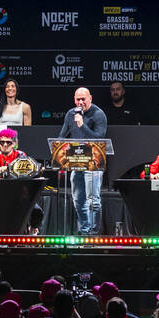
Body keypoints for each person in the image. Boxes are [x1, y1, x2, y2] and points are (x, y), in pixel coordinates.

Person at [58, 87, 108, 234]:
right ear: (74, 99)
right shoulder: (70, 114)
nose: (80, 102)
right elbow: (62, 136)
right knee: (78, 200)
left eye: (83, 99)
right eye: (78, 99)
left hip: (93, 162)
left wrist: (81, 125)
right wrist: (59, 149)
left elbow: (99, 140)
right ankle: (85, 231)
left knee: (93, 200)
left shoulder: (99, 115)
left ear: (90, 98)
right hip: (76, 161)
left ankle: (93, 233)